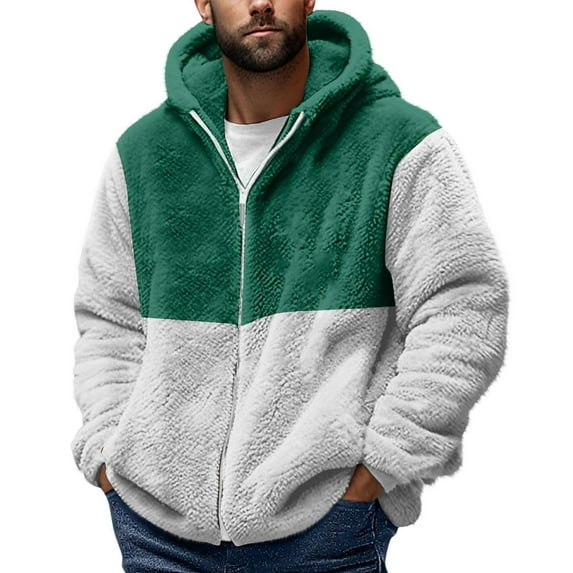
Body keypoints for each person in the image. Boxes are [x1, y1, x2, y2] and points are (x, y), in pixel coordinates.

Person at [70, 1, 510, 571]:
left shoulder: (396, 141)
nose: (259, 3)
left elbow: (464, 305)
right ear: (203, 4)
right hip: (157, 530)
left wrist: (381, 466)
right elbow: (109, 319)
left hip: (323, 528)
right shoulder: (144, 154)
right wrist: (109, 453)